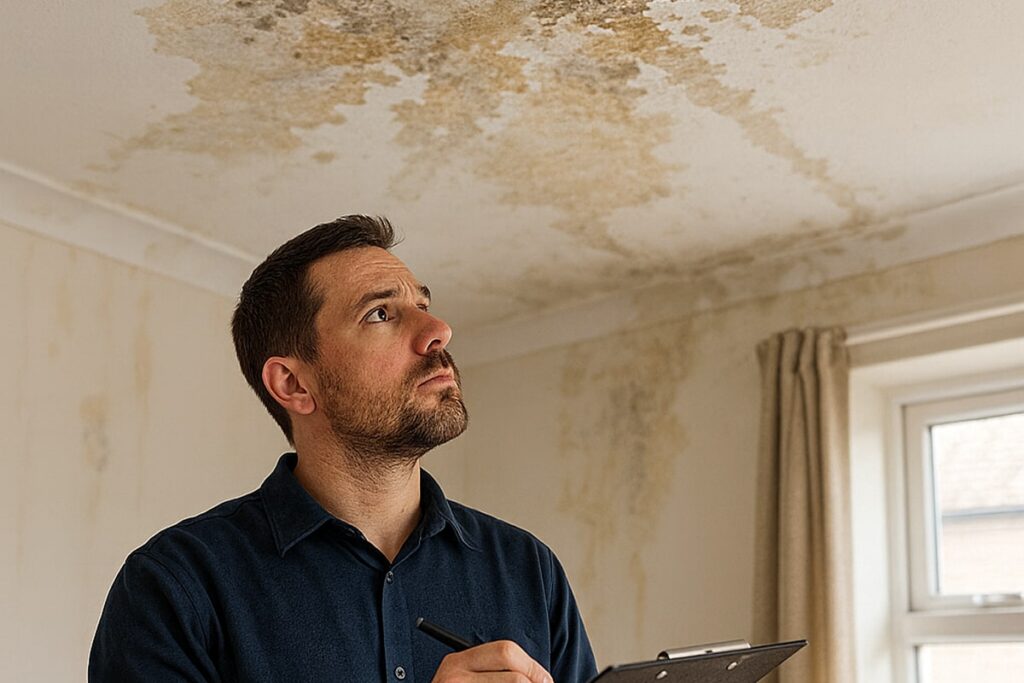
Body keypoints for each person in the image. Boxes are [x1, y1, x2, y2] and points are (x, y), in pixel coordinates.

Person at [90, 215, 597, 682]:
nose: (438, 330)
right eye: (380, 314)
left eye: (422, 306)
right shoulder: (175, 586)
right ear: (293, 384)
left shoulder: (528, 569)